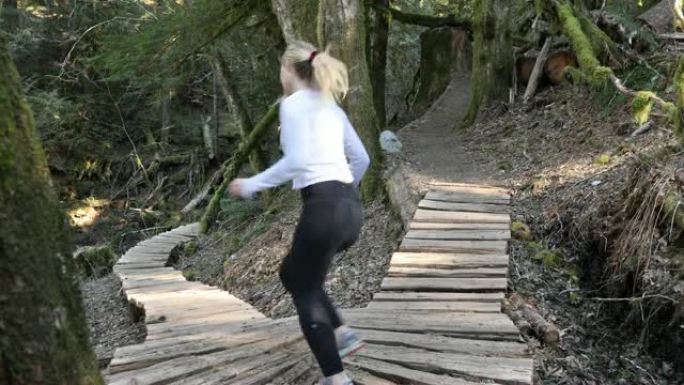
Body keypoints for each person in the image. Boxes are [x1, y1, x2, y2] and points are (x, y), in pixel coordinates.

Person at [228, 41, 370, 385]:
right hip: (350, 209)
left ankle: (337, 379)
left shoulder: (291, 106)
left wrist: (251, 185)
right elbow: (362, 159)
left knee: (304, 288)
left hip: (322, 208)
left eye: (280, 70)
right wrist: (343, 192)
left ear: (289, 70)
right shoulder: (332, 108)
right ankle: (342, 333)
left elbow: (297, 162)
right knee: (294, 274)